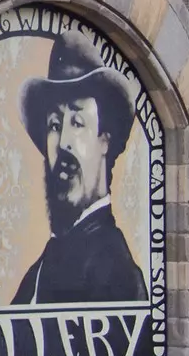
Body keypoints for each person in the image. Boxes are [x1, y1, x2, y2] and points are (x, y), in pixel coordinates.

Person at [11, 29, 147, 304]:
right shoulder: (41, 269)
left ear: (104, 141)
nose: (63, 142)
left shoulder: (115, 271)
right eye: (54, 124)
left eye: (77, 122)